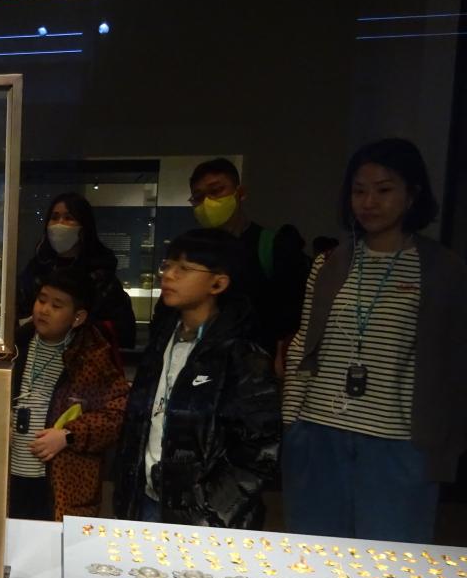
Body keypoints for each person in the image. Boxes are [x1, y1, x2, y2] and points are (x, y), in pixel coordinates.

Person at [282, 138, 467, 541]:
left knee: (392, 557)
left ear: (412, 194)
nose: (368, 202)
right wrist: (292, 422)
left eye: (384, 190)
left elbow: (452, 362)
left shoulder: (442, 269)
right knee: (315, 552)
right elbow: (303, 345)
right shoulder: (330, 264)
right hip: (320, 431)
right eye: (359, 191)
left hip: (398, 440)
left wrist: (440, 442)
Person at [115, 229, 280, 527]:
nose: (168, 275)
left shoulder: (242, 353)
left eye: (184, 268)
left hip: (207, 520)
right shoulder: (161, 340)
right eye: (168, 265)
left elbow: (258, 451)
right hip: (146, 501)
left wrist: (209, 509)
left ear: (218, 283)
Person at [10, 270, 128, 521]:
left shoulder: (93, 357)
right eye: (42, 300)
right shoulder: (13, 344)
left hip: (62, 483)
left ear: (78, 317)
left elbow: (118, 413)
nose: (44, 310)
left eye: (56, 305)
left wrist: (68, 435)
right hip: (8, 476)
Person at [188, 158, 310, 360]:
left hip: (257, 361)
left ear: (240, 193)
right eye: (198, 197)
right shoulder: (191, 251)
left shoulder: (273, 246)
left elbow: (293, 312)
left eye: (216, 191)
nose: (207, 203)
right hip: (203, 360)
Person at [17, 193, 136, 350]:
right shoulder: (36, 269)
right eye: (54, 217)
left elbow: (123, 332)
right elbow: (16, 311)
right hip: (34, 352)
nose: (59, 224)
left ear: (84, 227)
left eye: (68, 218)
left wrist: (72, 326)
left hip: (83, 357)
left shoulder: (102, 277)